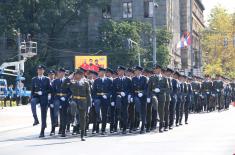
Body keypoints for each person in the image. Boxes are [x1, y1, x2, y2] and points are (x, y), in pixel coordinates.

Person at [69, 69, 92, 141]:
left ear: (81, 75)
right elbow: (63, 85)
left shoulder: (86, 83)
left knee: (83, 119)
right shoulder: (72, 82)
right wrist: (70, 77)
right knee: (72, 104)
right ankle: (74, 119)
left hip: (83, 102)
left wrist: (89, 105)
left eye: (78, 74)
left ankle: (82, 134)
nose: (76, 76)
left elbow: (88, 94)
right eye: (75, 74)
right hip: (75, 100)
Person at [147, 64, 169, 132]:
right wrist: (148, 96)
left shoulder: (164, 78)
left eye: (156, 69)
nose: (155, 70)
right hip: (154, 94)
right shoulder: (151, 78)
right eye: (154, 69)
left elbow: (167, 88)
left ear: (159, 70)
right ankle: (157, 114)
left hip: (162, 96)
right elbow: (149, 88)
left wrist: (160, 90)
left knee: (161, 111)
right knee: (154, 99)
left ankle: (161, 126)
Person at [30, 65, 51, 138]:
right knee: (32, 101)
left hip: (44, 97)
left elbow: (50, 90)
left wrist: (43, 92)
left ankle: (42, 130)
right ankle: (35, 119)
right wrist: (31, 97)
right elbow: (32, 90)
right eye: (39, 70)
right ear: (37, 71)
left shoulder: (47, 79)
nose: (40, 71)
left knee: (43, 114)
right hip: (36, 97)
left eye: (41, 70)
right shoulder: (34, 79)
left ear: (43, 71)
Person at [51, 68, 71, 137]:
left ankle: (63, 131)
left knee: (64, 115)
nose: (61, 74)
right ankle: (56, 122)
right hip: (57, 98)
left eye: (63, 72)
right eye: (60, 72)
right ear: (58, 73)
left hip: (64, 99)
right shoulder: (55, 81)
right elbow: (53, 92)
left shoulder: (68, 80)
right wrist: (51, 102)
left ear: (64, 73)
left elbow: (70, 91)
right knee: (56, 107)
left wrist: (65, 97)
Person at [93, 67, 113, 135]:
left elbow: (111, 91)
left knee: (104, 114)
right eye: (99, 72)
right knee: (97, 113)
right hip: (98, 99)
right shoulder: (96, 80)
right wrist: (94, 100)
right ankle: (96, 129)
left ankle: (103, 129)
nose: (99, 73)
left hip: (105, 99)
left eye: (100, 72)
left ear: (103, 72)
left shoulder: (109, 80)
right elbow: (94, 91)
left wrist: (107, 95)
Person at [112, 66, 132, 134]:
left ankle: (124, 128)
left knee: (125, 113)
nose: (119, 72)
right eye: (118, 71)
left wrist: (127, 94)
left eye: (120, 71)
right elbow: (113, 91)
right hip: (117, 99)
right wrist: (112, 100)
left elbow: (130, 89)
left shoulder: (128, 79)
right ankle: (115, 127)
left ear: (123, 71)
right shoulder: (115, 80)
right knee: (117, 113)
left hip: (125, 99)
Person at [131, 66, 148, 133]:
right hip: (136, 96)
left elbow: (147, 88)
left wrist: (143, 93)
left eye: (138, 71)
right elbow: (132, 89)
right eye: (135, 71)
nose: (136, 72)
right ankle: (136, 125)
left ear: (140, 72)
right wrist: (132, 96)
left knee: (143, 112)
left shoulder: (144, 78)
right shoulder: (133, 79)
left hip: (143, 97)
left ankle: (143, 127)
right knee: (137, 110)